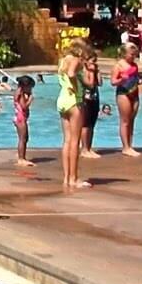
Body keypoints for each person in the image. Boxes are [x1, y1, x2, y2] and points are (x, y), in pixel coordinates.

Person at [57, 41, 91, 189]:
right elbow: (71, 74)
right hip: (73, 101)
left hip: (62, 100)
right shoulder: (75, 60)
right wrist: (77, 86)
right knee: (75, 142)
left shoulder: (63, 60)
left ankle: (66, 177)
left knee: (67, 140)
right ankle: (74, 178)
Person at [110, 42, 141, 157]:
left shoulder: (135, 65)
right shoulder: (119, 66)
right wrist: (121, 79)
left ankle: (130, 145)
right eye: (131, 54)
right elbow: (113, 82)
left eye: (135, 54)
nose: (133, 57)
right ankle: (125, 147)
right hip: (123, 94)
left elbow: (135, 79)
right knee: (125, 121)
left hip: (134, 93)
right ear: (124, 54)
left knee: (131, 120)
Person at [79, 55, 102, 159]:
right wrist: (92, 72)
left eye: (95, 62)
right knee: (85, 124)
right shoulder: (83, 72)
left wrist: (98, 72)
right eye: (92, 61)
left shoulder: (95, 71)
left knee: (92, 125)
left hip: (94, 99)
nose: (94, 64)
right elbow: (91, 85)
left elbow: (100, 83)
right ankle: (84, 149)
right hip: (85, 100)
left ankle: (89, 147)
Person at [13, 76, 35, 167]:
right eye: (30, 87)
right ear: (24, 86)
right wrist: (30, 100)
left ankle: (21, 155)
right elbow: (24, 106)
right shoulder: (21, 93)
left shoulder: (20, 91)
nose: (31, 89)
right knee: (22, 139)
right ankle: (21, 159)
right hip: (20, 118)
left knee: (25, 138)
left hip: (20, 117)